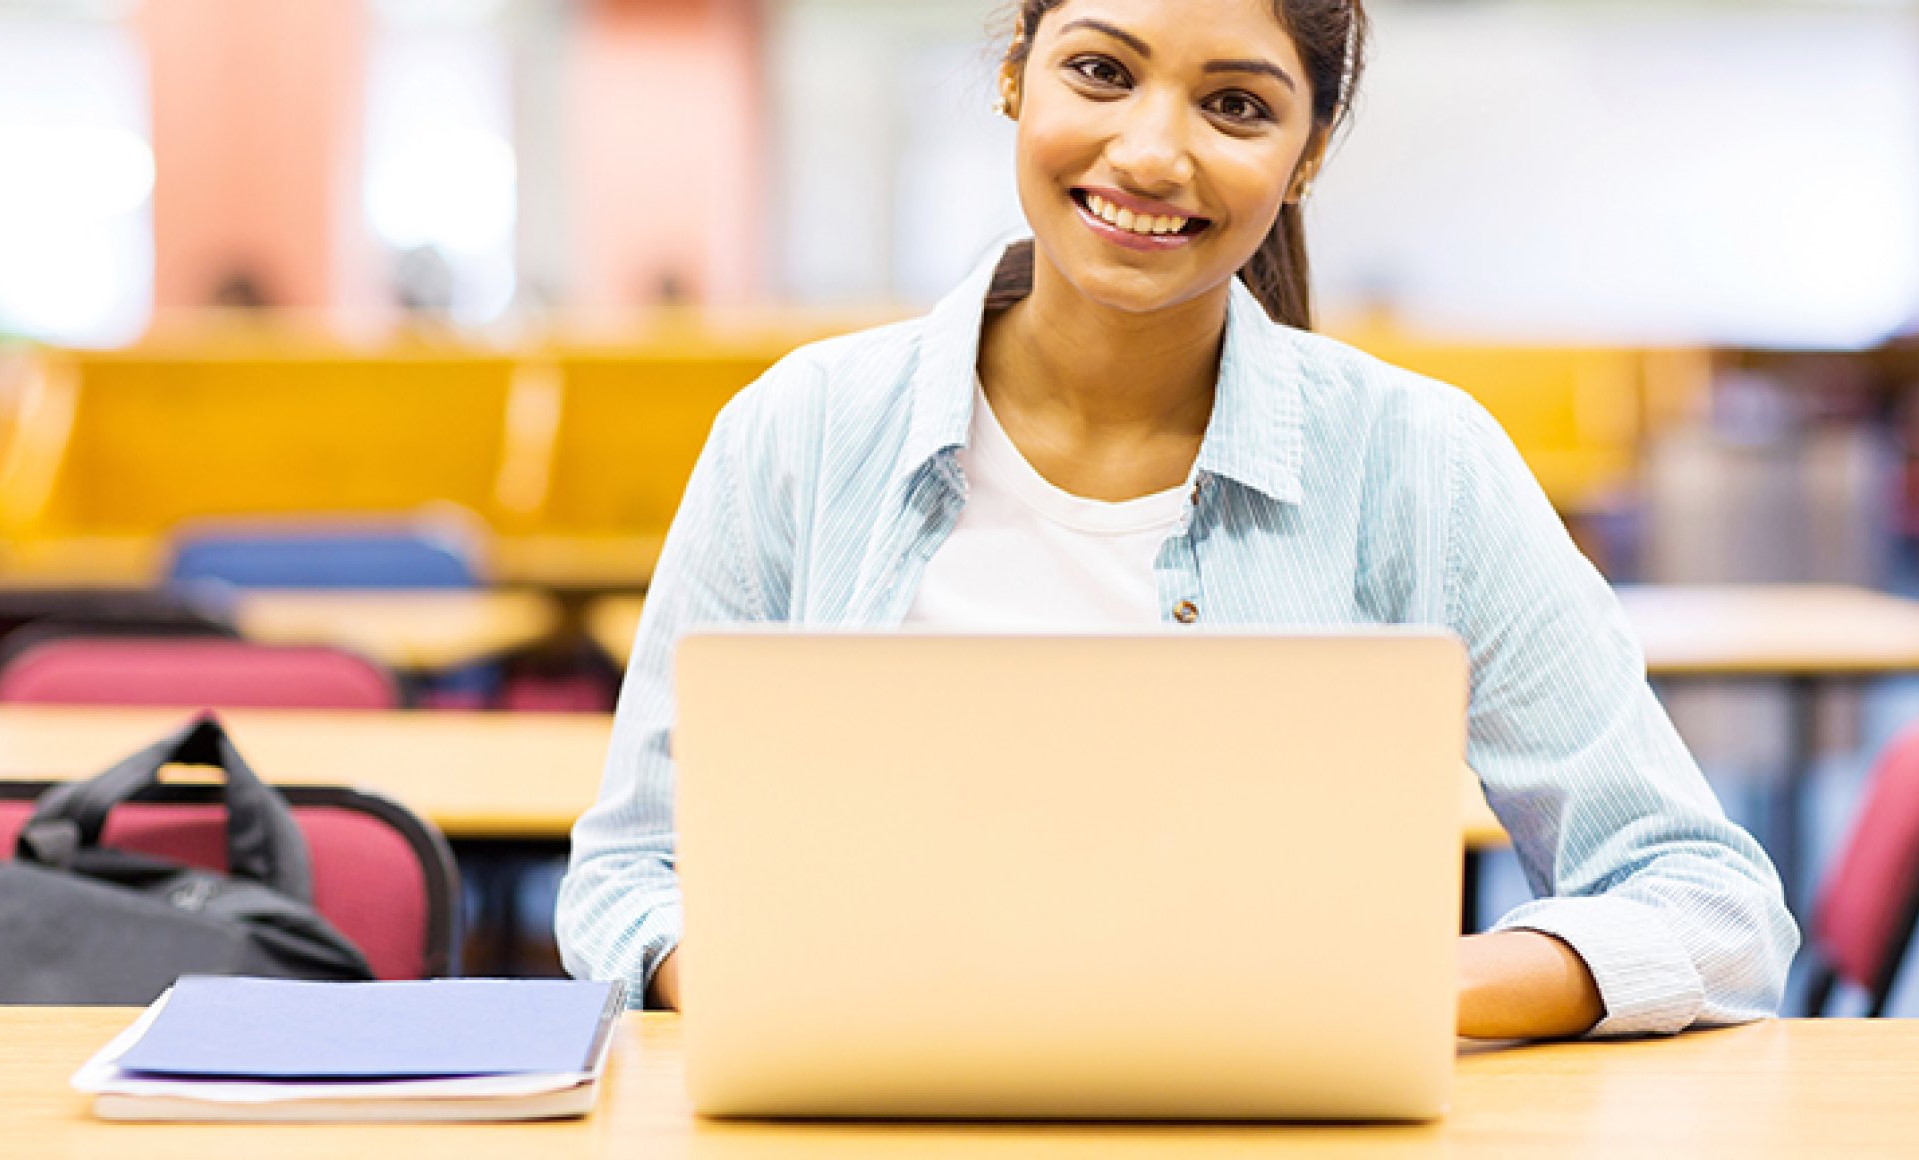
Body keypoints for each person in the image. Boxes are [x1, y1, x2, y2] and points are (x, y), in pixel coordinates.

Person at [558, 0, 1797, 1039]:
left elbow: (1705, 899)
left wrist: (1390, 993)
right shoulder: (801, 430)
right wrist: (801, 1002)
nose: (1151, 152)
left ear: (1306, 156)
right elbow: (628, 879)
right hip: (859, 1106)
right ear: (1012, 77)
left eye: (1237, 105)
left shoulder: (1417, 462)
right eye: (1099, 71)